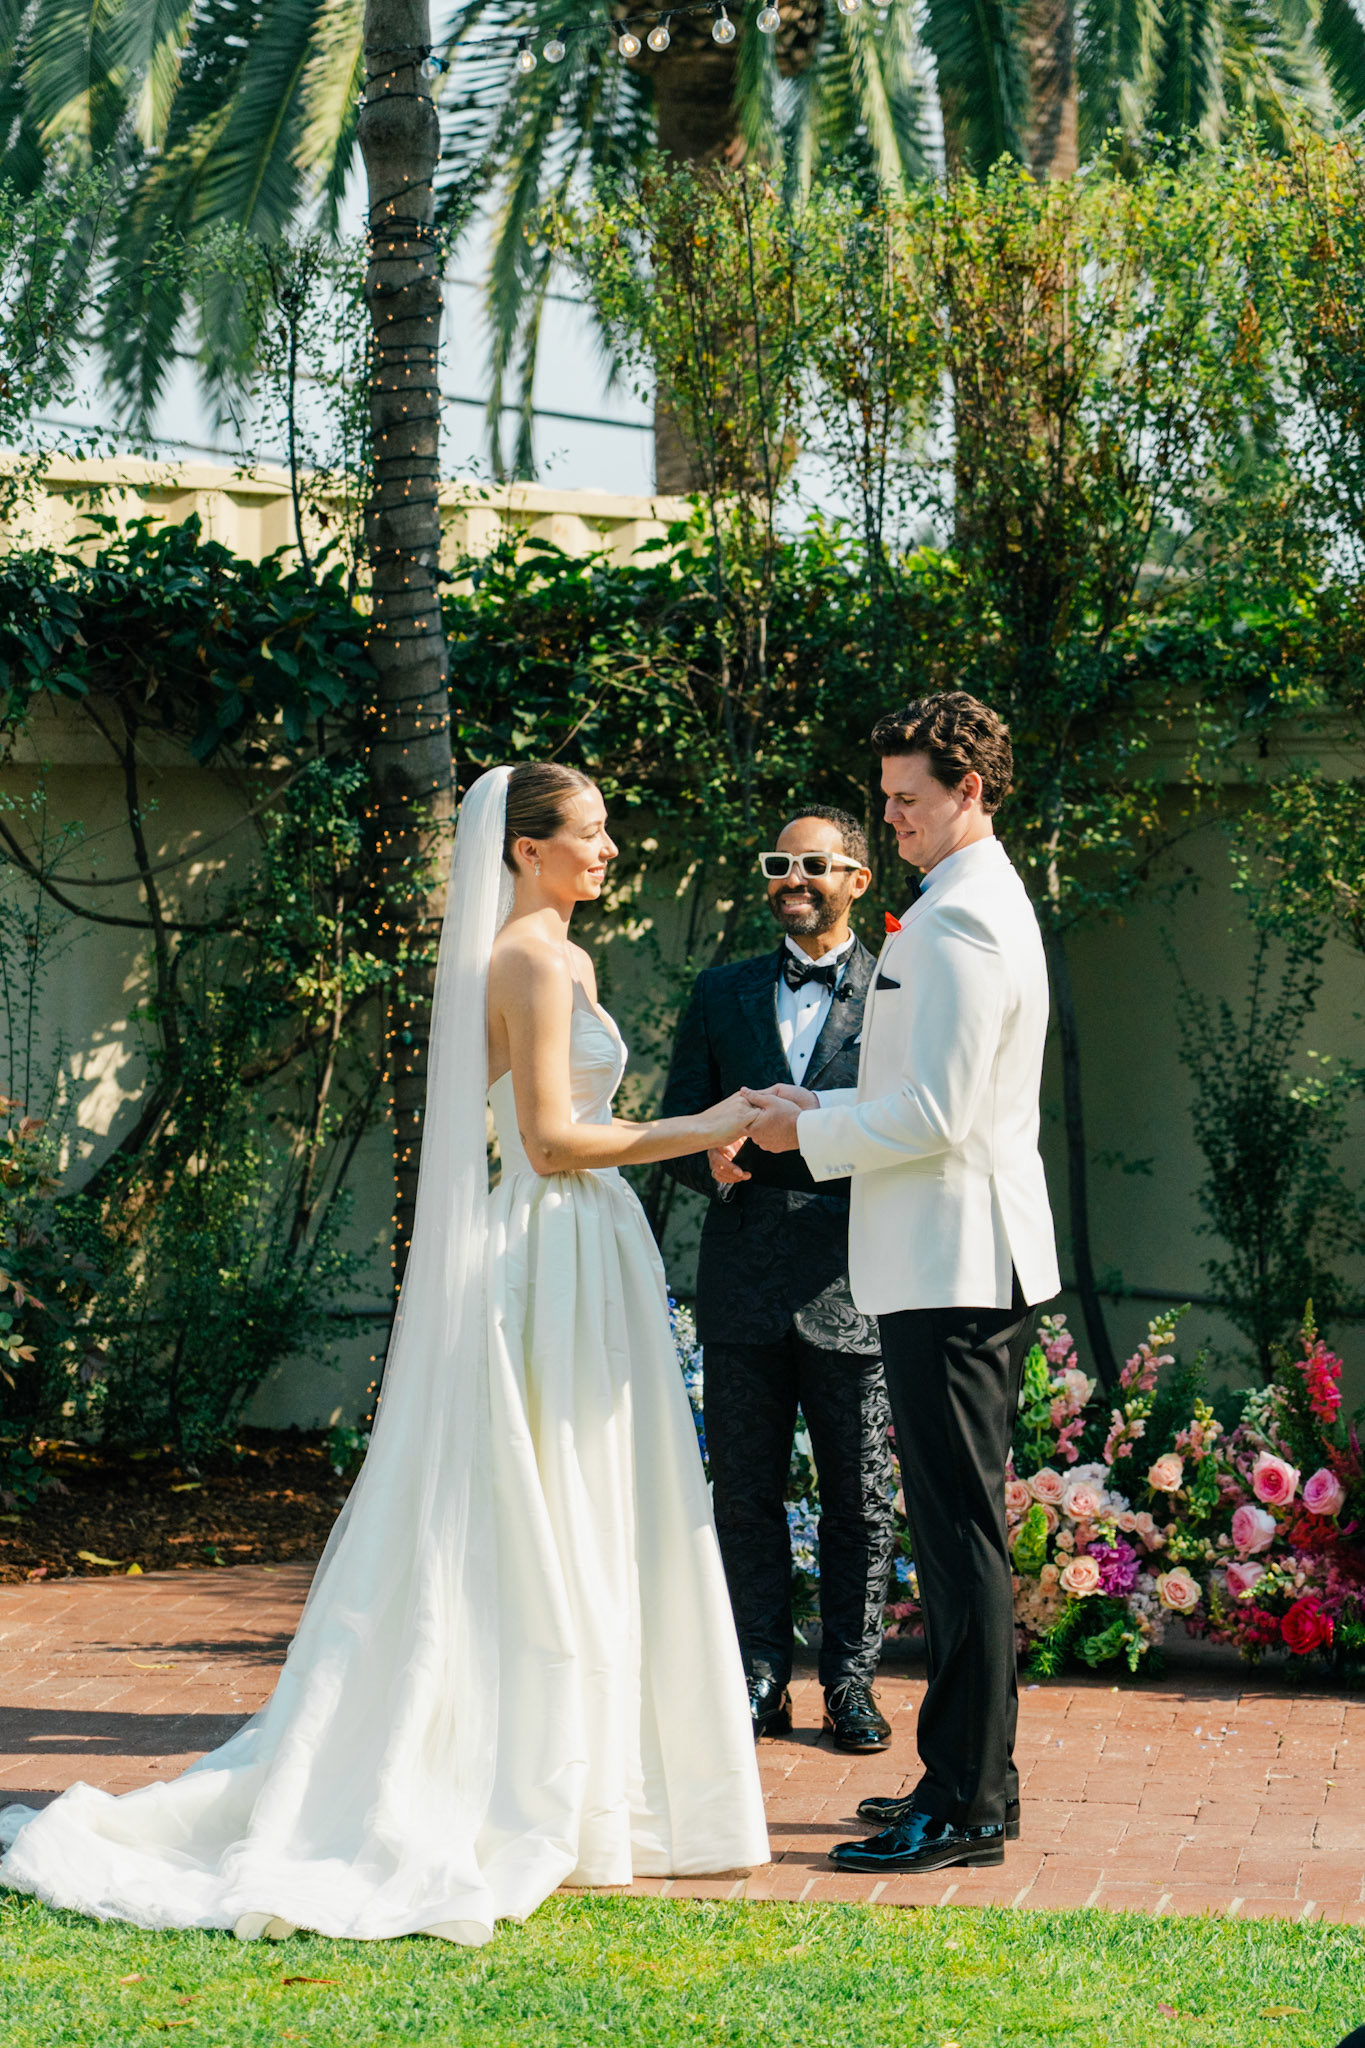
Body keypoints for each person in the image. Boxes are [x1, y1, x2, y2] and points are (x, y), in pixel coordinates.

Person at [0, 763, 770, 1942]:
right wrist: (703, 1125)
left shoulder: (566, 954)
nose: (610, 848)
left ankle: (604, 1785)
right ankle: (548, 1786)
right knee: (545, 1496)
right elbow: (551, 1141)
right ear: (526, 848)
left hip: (592, 1244)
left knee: (594, 1492)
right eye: (592, 830)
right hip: (551, 1244)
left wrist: (690, 1137)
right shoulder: (526, 959)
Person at [742, 693, 1060, 1877]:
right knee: (954, 1529)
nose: (892, 816)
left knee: (960, 1537)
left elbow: (938, 1112)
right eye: (884, 797)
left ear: (969, 788)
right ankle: (971, 1779)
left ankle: (967, 1802)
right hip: (948, 1257)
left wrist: (802, 1134)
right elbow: (918, 1090)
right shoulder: (963, 901)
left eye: (909, 797)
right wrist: (815, 1103)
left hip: (955, 1265)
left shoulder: (964, 918)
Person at [660, 808, 896, 1754]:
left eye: (813, 864)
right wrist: (708, 1161)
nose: (792, 879)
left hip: (854, 1283)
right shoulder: (719, 991)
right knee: (743, 1494)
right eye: (778, 863)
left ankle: (849, 1683)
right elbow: (677, 1122)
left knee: (859, 1499)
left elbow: (912, 1127)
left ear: (856, 880)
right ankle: (758, 1674)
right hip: (742, 1286)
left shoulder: (901, 992)